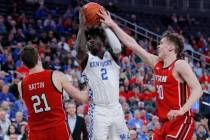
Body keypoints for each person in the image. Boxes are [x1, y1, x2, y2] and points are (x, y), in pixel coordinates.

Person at [98, 9, 203, 140]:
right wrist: (112, 24)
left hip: (181, 120)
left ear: (171, 48)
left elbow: (198, 89)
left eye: (162, 44)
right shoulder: (156, 63)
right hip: (164, 123)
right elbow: (132, 44)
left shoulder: (179, 64)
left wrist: (182, 111)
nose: (158, 46)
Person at [75, 9, 128, 140]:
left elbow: (117, 47)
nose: (91, 41)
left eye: (94, 38)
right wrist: (82, 27)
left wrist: (106, 27)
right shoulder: (86, 59)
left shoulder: (112, 56)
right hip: (99, 110)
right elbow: (79, 49)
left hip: (116, 108)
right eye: (88, 39)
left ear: (102, 40)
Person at [18, 46, 88, 140]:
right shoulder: (56, 76)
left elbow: (29, 108)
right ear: (39, 57)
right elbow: (82, 98)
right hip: (57, 129)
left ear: (24, 65)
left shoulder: (21, 85)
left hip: (36, 133)